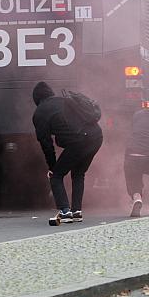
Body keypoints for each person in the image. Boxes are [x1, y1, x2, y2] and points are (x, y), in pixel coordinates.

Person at [32, 82, 103, 225]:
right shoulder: (65, 100)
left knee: (57, 176)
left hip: (79, 140)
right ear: (50, 93)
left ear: (36, 100)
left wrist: (52, 167)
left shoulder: (40, 112)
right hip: (96, 136)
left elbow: (46, 144)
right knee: (78, 173)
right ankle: (77, 211)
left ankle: (65, 211)